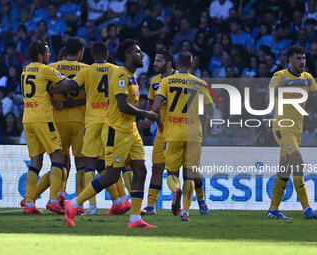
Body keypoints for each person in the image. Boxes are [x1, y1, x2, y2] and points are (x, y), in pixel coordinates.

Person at [63, 40, 158, 228]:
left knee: (140, 170)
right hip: (117, 131)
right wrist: (145, 113)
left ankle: (135, 218)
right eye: (138, 52)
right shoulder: (120, 74)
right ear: (128, 55)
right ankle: (73, 204)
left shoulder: (131, 76)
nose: (142, 55)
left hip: (131, 131)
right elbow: (122, 105)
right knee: (112, 175)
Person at [50, 41, 130, 216]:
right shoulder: (117, 70)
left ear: (91, 54)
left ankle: (91, 206)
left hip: (91, 121)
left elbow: (69, 85)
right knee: (109, 164)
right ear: (107, 54)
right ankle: (121, 201)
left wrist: (50, 89)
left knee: (87, 164)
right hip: (112, 121)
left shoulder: (86, 70)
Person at [268, 45, 317, 220]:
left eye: (304, 58)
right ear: (290, 59)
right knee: (298, 161)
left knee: (284, 170)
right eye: (298, 58)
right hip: (282, 129)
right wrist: (279, 87)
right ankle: (307, 209)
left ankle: (273, 211)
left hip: (297, 131)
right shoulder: (279, 76)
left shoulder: (308, 78)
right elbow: (268, 96)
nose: (302, 61)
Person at [24, 38, 88, 212]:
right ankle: (54, 199)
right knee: (59, 159)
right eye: (46, 52)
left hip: (28, 118)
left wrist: (51, 94)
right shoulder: (45, 70)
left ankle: (29, 203)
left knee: (35, 162)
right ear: (40, 55)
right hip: (45, 119)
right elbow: (67, 84)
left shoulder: (25, 71)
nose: (49, 54)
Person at [152, 51, 214, 221]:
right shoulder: (200, 83)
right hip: (194, 133)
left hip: (172, 133)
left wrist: (150, 116)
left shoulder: (166, 81)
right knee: (191, 174)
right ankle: (185, 212)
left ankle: (176, 189)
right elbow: (210, 111)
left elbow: (156, 106)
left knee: (172, 173)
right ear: (192, 64)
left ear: (176, 64)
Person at [141, 49, 175, 215]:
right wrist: (148, 118)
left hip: (176, 131)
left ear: (169, 63)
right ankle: (151, 206)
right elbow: (151, 103)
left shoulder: (179, 79)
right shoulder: (154, 81)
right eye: (154, 60)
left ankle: (179, 202)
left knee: (173, 170)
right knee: (157, 168)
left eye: (158, 61)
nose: (154, 64)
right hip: (160, 133)